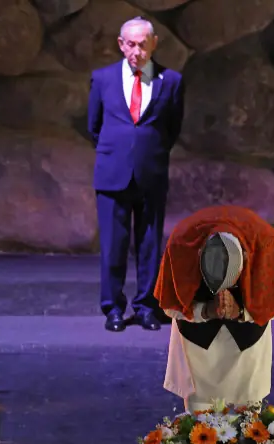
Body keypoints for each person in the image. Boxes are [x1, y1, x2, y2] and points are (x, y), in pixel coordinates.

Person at [87, 17, 185, 333]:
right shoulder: (103, 79)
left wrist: (148, 152)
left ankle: (146, 307)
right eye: (131, 44)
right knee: (113, 245)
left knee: (149, 245)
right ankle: (113, 308)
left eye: (143, 44)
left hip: (151, 173)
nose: (137, 51)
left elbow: (172, 129)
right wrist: (120, 151)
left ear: (154, 43)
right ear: (121, 44)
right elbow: (94, 126)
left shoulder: (170, 81)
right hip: (113, 172)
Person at [154, 205, 274, 413]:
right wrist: (205, 311)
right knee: (198, 426)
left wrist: (242, 312)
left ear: (247, 259)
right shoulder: (181, 245)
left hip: (248, 347)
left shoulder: (265, 244)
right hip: (196, 348)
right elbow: (168, 305)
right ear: (199, 256)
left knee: (248, 424)